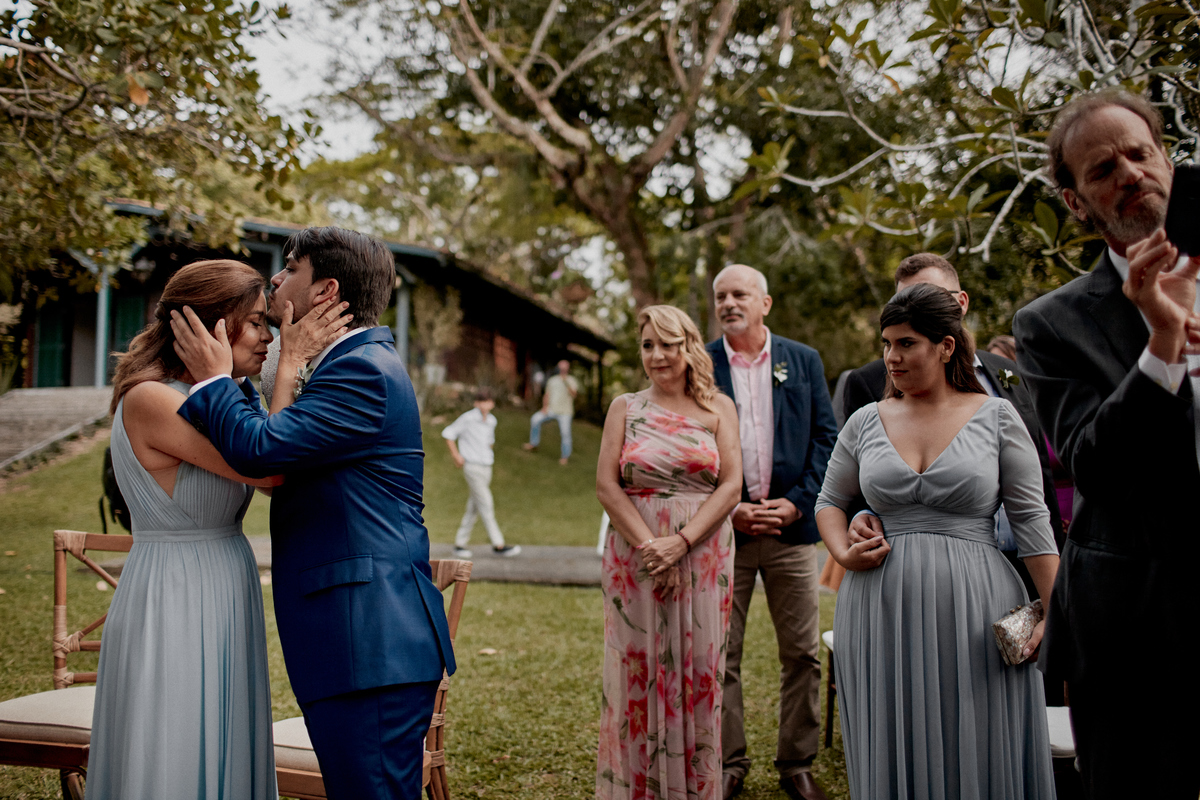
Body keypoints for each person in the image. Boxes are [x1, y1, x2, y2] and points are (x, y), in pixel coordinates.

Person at [170, 226, 456, 800]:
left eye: (290, 267)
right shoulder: (344, 366)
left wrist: (213, 380)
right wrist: (282, 367)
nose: (275, 278)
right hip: (353, 641)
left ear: (325, 290)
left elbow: (262, 451)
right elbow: (281, 455)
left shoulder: (362, 373)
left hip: (369, 641)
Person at [1013, 90, 1200, 800]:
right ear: (1076, 202)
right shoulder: (1052, 324)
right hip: (1134, 623)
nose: (1129, 172)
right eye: (1102, 170)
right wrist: (1162, 346)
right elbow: (1094, 464)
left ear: (1166, 160)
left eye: (1139, 152)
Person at [87, 259, 325, 798]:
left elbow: (267, 446)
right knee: (172, 738)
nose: (268, 336)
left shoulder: (226, 398)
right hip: (174, 588)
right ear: (213, 325)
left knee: (223, 732)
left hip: (224, 579)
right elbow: (268, 467)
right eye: (259, 322)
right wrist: (287, 368)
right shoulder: (152, 398)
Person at [816, 283, 1059, 799]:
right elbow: (829, 502)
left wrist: (1057, 611)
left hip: (974, 604)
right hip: (877, 605)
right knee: (889, 729)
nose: (891, 357)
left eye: (906, 344)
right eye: (886, 344)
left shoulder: (996, 416)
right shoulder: (865, 420)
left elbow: (1034, 522)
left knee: (976, 734)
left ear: (946, 346)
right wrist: (842, 550)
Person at [839, 255, 1064, 598]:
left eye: (931, 297)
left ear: (960, 303)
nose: (914, 309)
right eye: (903, 301)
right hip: (904, 567)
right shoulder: (868, 383)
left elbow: (1037, 480)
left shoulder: (1010, 375)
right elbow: (853, 483)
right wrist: (861, 518)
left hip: (1019, 558)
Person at [595, 305, 741, 800]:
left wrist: (681, 543)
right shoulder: (625, 407)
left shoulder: (718, 408)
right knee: (637, 669)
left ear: (689, 347)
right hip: (636, 554)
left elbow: (732, 486)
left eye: (668, 344)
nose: (657, 355)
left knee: (699, 670)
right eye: (648, 345)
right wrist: (651, 548)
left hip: (704, 554)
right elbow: (607, 486)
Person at [706, 264, 838, 800]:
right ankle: (729, 763)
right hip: (725, 532)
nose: (728, 303)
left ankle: (796, 763)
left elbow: (826, 438)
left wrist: (798, 503)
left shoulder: (801, 360)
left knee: (803, 652)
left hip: (791, 530)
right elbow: (693, 442)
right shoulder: (702, 363)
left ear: (766, 302)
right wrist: (729, 506)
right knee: (721, 653)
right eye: (720, 296)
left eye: (739, 294)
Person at [442, 387, 521, 558]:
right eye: (481, 401)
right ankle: (498, 544)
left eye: (488, 401)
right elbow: (448, 433)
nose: (485, 405)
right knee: (486, 503)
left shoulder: (492, 421)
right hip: (472, 467)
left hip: (486, 467)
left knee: (474, 507)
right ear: (476, 403)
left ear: (491, 403)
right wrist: (457, 456)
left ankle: (459, 544)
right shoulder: (468, 418)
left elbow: (489, 441)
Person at [523, 358, 578, 464]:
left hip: (565, 413)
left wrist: (565, 381)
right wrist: (544, 407)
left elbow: (574, 394)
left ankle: (565, 457)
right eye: (560, 367)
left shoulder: (571, 380)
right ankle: (534, 444)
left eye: (564, 367)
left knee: (565, 434)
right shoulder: (552, 380)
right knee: (535, 419)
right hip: (551, 409)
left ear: (568, 368)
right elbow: (547, 394)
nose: (562, 369)